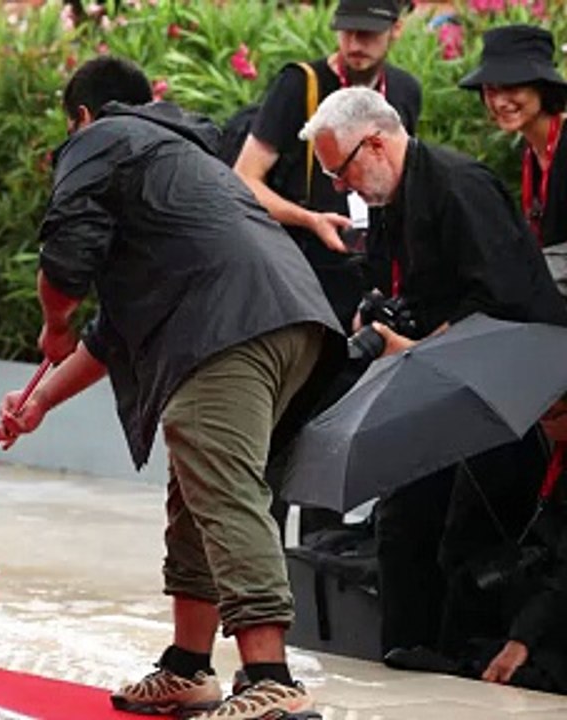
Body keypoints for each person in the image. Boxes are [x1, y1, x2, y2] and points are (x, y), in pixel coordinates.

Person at [0, 56, 344, 719]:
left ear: (82, 117)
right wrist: (37, 400)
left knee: (223, 490)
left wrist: (51, 323)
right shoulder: (174, 163)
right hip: (287, 320)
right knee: (197, 489)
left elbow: (65, 260)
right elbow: (115, 333)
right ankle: (188, 667)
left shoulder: (100, 140)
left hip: (232, 328)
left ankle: (271, 680)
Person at [298, 86, 567, 663]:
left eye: (339, 172)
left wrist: (416, 345)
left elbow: (501, 302)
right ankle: (408, 653)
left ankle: (459, 660)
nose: (340, 187)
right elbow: (404, 287)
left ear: (374, 143)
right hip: (438, 373)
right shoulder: (394, 196)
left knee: (467, 535)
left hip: (507, 381)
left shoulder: (459, 187)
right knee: (401, 521)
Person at [234, 0, 421, 328]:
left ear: (396, 30)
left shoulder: (404, 89)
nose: (354, 44)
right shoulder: (299, 84)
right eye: (347, 32)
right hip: (305, 270)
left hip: (373, 267)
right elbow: (245, 178)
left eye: (368, 34)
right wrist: (310, 220)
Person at [460, 24, 567, 249]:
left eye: (512, 88)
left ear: (543, 88)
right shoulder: (533, 149)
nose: (500, 102)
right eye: (491, 90)